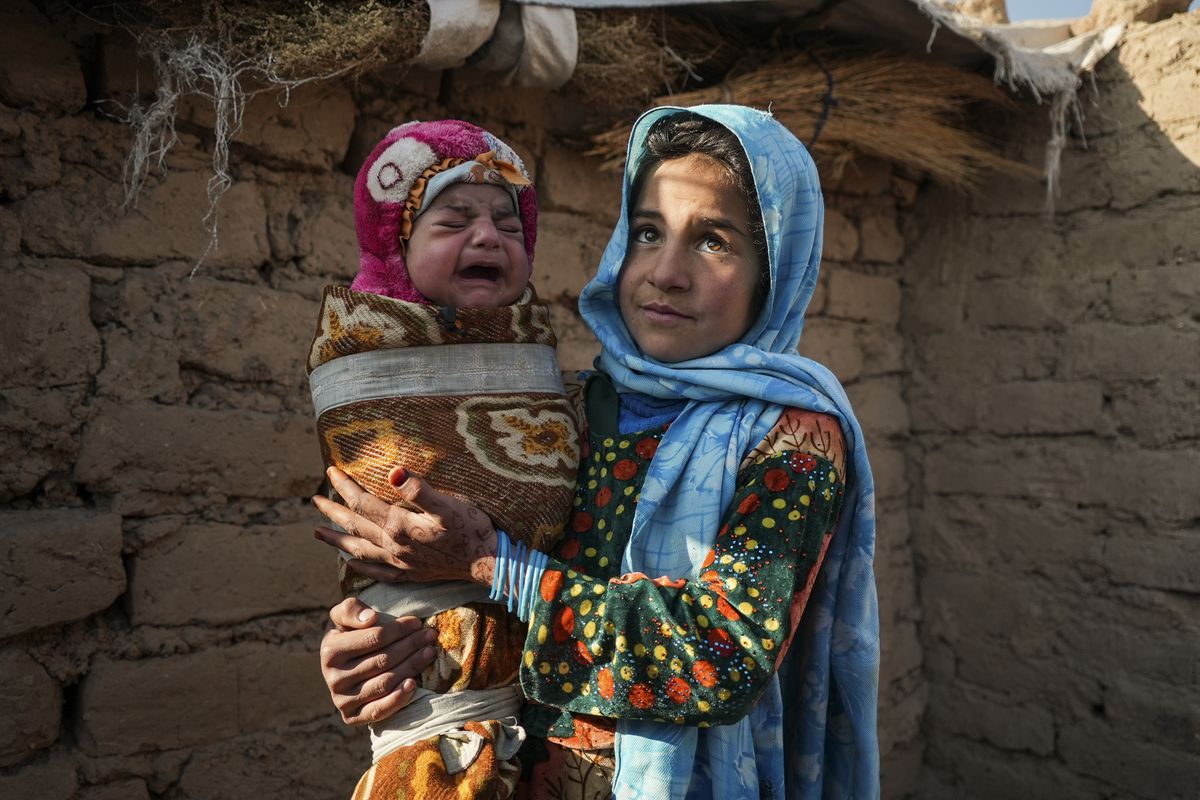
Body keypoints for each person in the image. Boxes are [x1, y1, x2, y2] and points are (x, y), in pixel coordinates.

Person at [314, 104, 880, 800]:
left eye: (713, 242)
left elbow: (722, 656)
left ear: (775, 269)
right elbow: (454, 590)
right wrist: (374, 646)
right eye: (648, 232)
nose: (666, 272)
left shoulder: (793, 441)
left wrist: (494, 565)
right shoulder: (564, 408)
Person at [306, 119, 580, 799]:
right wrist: (356, 633)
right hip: (433, 704)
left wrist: (486, 561)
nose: (488, 236)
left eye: (509, 227)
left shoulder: (569, 390)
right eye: (453, 219)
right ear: (395, 251)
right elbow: (388, 511)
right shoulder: (372, 358)